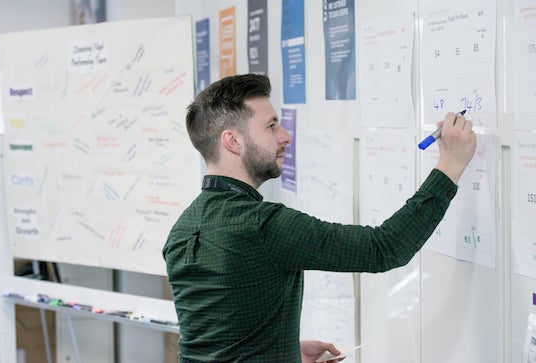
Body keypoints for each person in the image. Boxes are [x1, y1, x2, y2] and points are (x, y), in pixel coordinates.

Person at [163, 74, 476, 362]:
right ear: (233, 141)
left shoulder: (182, 228)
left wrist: (283, 351)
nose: (284, 136)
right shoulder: (262, 226)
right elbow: (384, 247)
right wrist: (450, 164)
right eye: (271, 125)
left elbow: (216, 338)